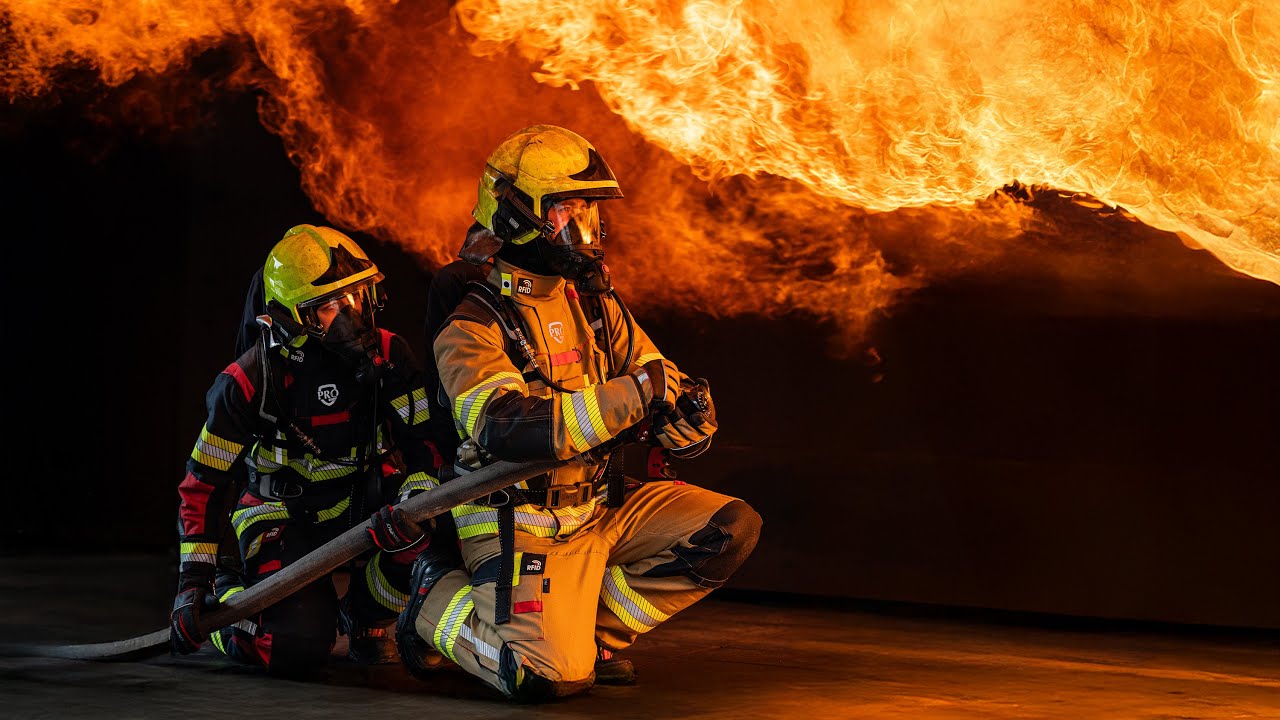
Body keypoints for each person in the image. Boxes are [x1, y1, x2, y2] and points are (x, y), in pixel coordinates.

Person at [394, 124, 763, 702]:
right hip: (518, 524)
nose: (587, 232)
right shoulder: (469, 328)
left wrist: (689, 416)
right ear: (518, 219)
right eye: (569, 213)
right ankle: (431, 597)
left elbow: (655, 372)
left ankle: (590, 635)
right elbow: (509, 426)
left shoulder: (592, 304)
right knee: (540, 678)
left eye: (590, 215)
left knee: (727, 529)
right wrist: (639, 396)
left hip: (598, 508)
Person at [170, 224, 445, 678]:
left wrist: (412, 502)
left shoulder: (390, 354)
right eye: (330, 306)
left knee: (430, 538)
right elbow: (203, 486)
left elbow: (426, 444)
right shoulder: (249, 381)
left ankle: (366, 618)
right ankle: (231, 603)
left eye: (355, 298)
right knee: (291, 646)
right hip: (283, 514)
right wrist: (193, 584)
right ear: (290, 318)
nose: (351, 318)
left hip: (365, 502)